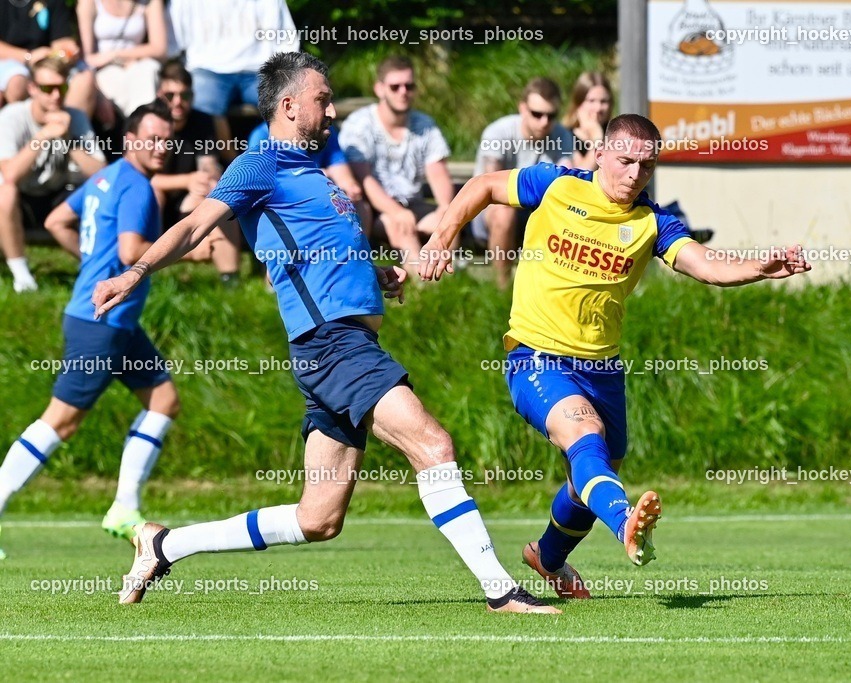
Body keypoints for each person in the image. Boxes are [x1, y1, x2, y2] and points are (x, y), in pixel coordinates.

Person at [92, 52, 558, 614]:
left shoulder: (310, 170)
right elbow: (194, 226)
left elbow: (322, 251)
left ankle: (164, 544)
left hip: (344, 345)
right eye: (323, 99)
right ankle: (501, 590)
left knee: (319, 519)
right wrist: (136, 270)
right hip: (331, 345)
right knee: (433, 446)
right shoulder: (258, 163)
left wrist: (375, 275)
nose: (333, 109)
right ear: (288, 106)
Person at [419, 114, 811, 598]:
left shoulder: (652, 222)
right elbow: (482, 186)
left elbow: (704, 265)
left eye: (646, 166)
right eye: (625, 160)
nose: (634, 174)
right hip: (536, 356)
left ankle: (547, 558)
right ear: (601, 152)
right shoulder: (556, 184)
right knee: (587, 437)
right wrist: (442, 236)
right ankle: (627, 524)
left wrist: (758, 266)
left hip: (602, 368)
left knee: (596, 470)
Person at [0, 100, 179, 561]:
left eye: (166, 138)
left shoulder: (105, 177)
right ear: (129, 140)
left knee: (163, 399)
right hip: (103, 324)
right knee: (61, 420)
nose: (161, 146)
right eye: (152, 138)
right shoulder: (138, 186)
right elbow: (132, 247)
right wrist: (194, 252)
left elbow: (57, 220)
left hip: (107, 319)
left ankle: (124, 506)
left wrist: (91, 267)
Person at [0, 56, 107, 292]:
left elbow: (101, 173)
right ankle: (22, 275)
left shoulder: (74, 117)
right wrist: (43, 136)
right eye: (48, 89)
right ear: (32, 89)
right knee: (4, 193)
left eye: (62, 87)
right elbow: (10, 175)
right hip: (22, 198)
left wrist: (69, 140)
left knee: (101, 190)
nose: (56, 96)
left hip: (56, 194)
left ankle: (103, 268)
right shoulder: (12, 117)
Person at [340, 55, 453, 269]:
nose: (403, 92)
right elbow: (363, 179)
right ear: (379, 88)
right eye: (395, 86)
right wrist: (396, 211)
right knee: (399, 226)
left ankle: (449, 282)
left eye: (409, 86)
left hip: (414, 202)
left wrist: (445, 210)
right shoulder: (360, 124)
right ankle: (425, 286)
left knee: (449, 221)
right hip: (374, 207)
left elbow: (439, 175)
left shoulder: (425, 125)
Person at [472, 77, 574, 288]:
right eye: (537, 114)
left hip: (534, 211)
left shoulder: (561, 135)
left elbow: (569, 184)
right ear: (522, 108)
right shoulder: (498, 133)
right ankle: (503, 289)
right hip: (488, 213)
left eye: (551, 115)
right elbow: (493, 190)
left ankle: (557, 289)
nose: (544, 122)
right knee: (504, 212)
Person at [166, 0, 298, 157]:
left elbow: (288, 42)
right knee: (202, 106)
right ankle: (225, 165)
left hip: (260, 70)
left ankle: (290, 165)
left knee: (289, 102)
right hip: (207, 70)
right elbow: (170, 45)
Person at [151, 60, 240, 282]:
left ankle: (230, 278)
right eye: (170, 96)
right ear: (158, 93)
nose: (178, 102)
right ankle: (140, 271)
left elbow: (208, 161)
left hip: (190, 200)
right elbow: (137, 178)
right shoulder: (146, 121)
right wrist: (187, 180)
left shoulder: (202, 121)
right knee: (147, 194)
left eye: (185, 96)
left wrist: (208, 177)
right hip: (155, 198)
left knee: (218, 195)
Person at [0, 0, 96, 113]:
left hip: (48, 62)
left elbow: (62, 40)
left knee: (84, 79)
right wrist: (28, 56)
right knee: (17, 81)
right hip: (9, 61)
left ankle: (69, 126)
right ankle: (25, 127)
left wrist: (66, 51)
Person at [77, 0, 169, 117]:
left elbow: (159, 49)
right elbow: (87, 57)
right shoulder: (89, 2)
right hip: (102, 70)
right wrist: (97, 92)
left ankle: (141, 126)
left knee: (148, 70)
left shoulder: (150, 2)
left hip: (136, 64)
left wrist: (115, 55)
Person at [563, 72, 614, 170]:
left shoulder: (615, 135)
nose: (598, 108)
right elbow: (581, 174)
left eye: (603, 101)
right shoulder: (565, 136)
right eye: (591, 101)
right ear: (578, 103)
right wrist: (597, 139)